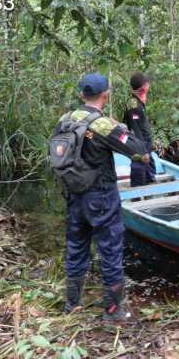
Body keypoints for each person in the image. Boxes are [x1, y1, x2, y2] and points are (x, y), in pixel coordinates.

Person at [62, 73, 150, 321]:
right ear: (105, 95)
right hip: (100, 196)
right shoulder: (102, 125)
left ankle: (72, 305)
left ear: (81, 94)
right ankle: (113, 312)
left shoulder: (66, 119)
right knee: (110, 250)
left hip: (73, 194)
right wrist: (120, 128)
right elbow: (140, 153)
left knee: (76, 247)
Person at [123, 72, 156, 187]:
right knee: (139, 174)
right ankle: (137, 199)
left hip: (145, 145)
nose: (149, 86)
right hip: (140, 148)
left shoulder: (138, 102)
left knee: (149, 176)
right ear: (143, 88)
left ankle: (149, 195)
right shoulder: (133, 105)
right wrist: (143, 151)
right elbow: (134, 130)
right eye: (147, 85)